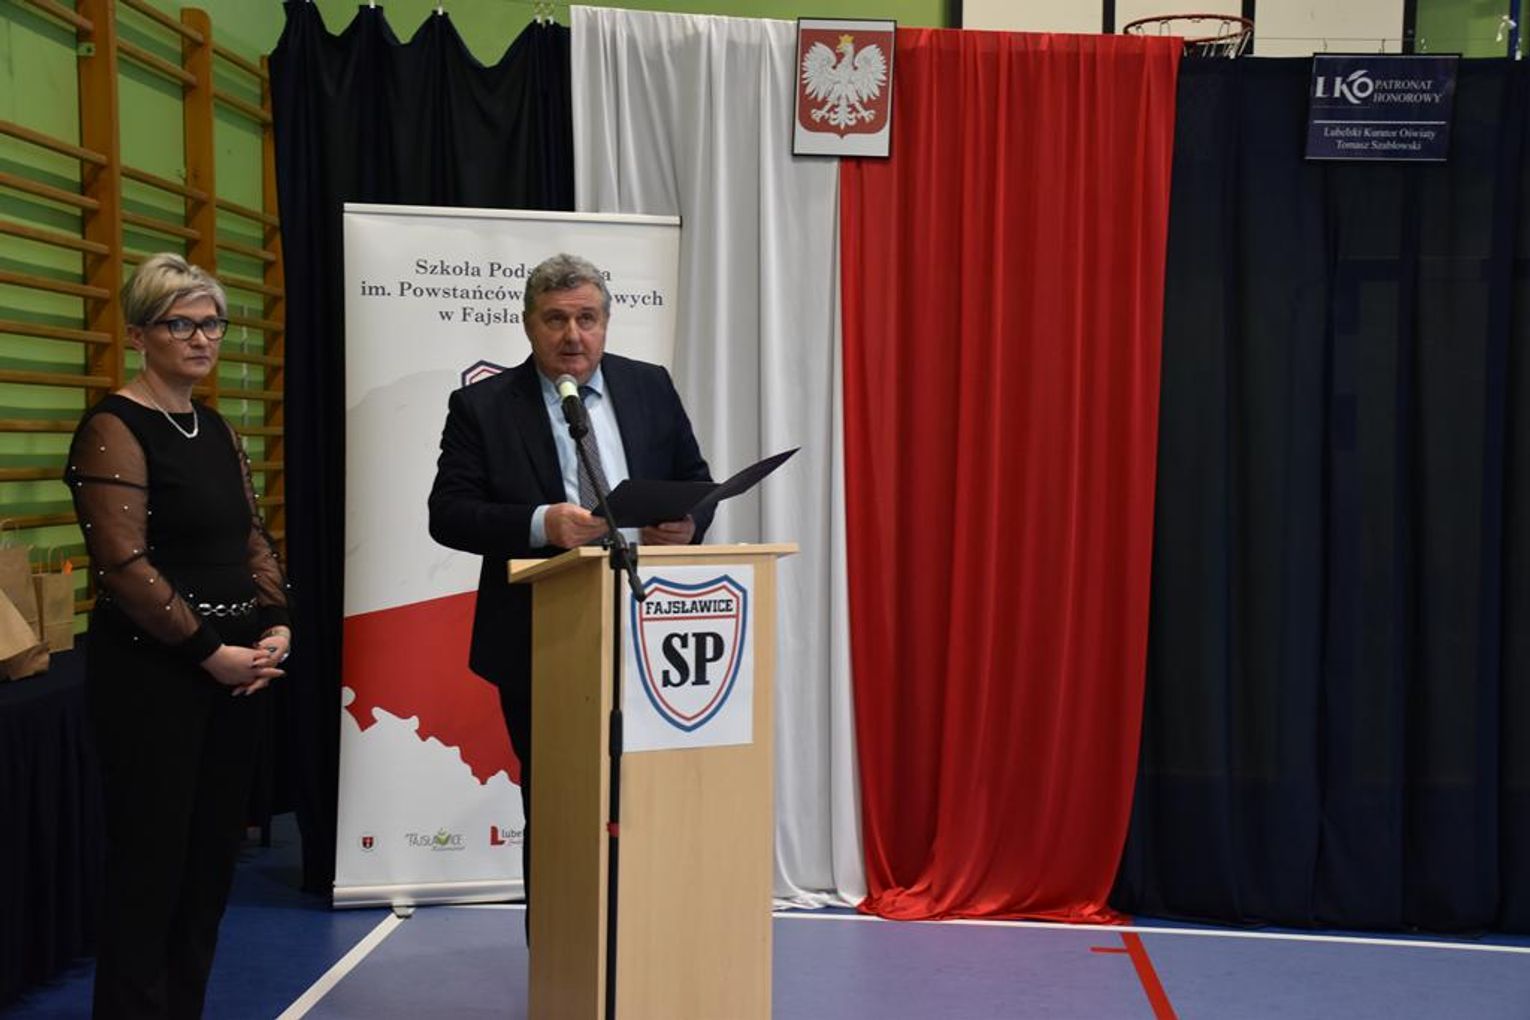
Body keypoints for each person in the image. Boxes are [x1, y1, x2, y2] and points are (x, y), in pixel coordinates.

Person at [427, 252, 713, 933]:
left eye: (587, 318)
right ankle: (561, 956)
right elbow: (448, 514)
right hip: (541, 637)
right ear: (529, 325)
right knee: (560, 801)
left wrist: (688, 523)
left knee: (652, 798)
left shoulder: (649, 386)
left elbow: (696, 480)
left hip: (652, 630)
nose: (573, 335)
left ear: (607, 323)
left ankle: (648, 943)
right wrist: (540, 524)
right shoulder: (482, 407)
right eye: (556, 319)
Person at [66, 253, 291, 1018]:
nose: (202, 339)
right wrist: (210, 654)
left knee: (208, 867)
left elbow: (251, 537)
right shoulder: (113, 426)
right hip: (152, 680)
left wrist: (277, 625)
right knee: (150, 869)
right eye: (181, 324)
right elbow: (124, 565)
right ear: (139, 335)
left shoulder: (216, 427)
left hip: (237, 675)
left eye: (213, 324)